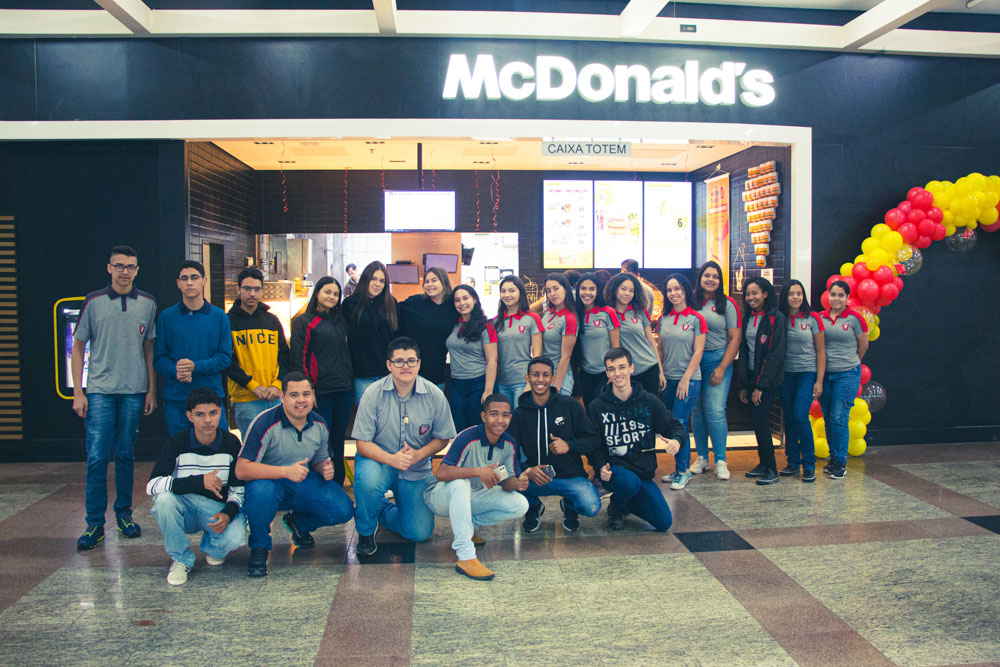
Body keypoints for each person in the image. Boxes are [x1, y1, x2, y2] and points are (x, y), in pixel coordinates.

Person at [72, 245, 158, 550]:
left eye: (130, 266)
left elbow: (149, 349)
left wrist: (151, 390)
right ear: (109, 268)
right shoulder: (93, 301)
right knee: (96, 457)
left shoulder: (147, 303)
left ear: (137, 270)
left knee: (125, 455)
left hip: (134, 391)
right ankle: (95, 523)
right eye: (119, 266)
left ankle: (124, 515)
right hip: (99, 392)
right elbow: (79, 346)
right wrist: (79, 392)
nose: (125, 271)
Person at [236, 372, 355, 578]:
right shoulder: (264, 423)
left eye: (306, 394)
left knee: (343, 509)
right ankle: (260, 548)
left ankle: (298, 524)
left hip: (302, 481)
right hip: (269, 482)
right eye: (294, 395)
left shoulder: (319, 424)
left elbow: (319, 460)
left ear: (313, 396)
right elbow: (242, 469)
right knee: (261, 492)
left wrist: (324, 468)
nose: (301, 400)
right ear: (282, 397)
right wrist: (285, 472)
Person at [351, 337, 457, 557]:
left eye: (411, 361)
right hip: (379, 460)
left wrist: (420, 454)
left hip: (415, 466)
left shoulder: (434, 395)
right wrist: (391, 459)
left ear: (419, 363)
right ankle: (365, 531)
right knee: (369, 482)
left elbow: (443, 438)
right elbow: (362, 443)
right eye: (399, 361)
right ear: (389, 365)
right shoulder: (373, 393)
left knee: (419, 532)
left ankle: (381, 509)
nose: (406, 366)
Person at [147, 388, 246, 585]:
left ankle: (212, 546)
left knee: (235, 537)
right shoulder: (177, 443)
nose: (207, 420)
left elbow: (238, 489)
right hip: (186, 508)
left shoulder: (231, 443)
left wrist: (228, 513)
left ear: (221, 413)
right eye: (200, 414)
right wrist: (199, 481)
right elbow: (152, 485)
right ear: (189, 416)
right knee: (164, 501)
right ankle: (181, 558)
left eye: (213, 413)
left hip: (214, 510)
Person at [425, 394, 530, 580]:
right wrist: (477, 472)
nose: (500, 420)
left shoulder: (509, 443)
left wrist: (520, 481)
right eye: (494, 414)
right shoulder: (467, 436)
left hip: (473, 498)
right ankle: (466, 556)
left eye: (505, 415)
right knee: (460, 484)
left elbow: (507, 483)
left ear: (510, 418)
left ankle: (469, 525)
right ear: (483, 416)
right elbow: (441, 474)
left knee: (520, 504)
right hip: (442, 498)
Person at [588, 348, 685, 532]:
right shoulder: (597, 406)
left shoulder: (648, 400)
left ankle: (628, 503)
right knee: (628, 483)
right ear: (607, 373)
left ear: (631, 368)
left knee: (664, 522)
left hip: (643, 473)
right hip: (615, 472)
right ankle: (617, 506)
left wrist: (676, 441)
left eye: (622, 367)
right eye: (612, 369)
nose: (618, 373)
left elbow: (676, 427)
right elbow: (593, 444)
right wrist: (600, 465)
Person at [509, 357, 601, 533]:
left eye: (545, 375)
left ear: (552, 379)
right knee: (507, 483)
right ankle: (533, 507)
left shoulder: (568, 405)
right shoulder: (520, 413)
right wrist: (527, 469)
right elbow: (508, 453)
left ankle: (570, 507)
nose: (540, 379)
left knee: (590, 506)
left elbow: (593, 439)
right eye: (535, 375)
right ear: (527, 378)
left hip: (570, 477)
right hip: (536, 477)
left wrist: (569, 445)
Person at [154, 260, 232, 435]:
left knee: (216, 453)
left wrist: (195, 367)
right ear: (178, 283)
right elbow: (159, 358)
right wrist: (176, 369)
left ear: (204, 281)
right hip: (177, 399)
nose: (189, 282)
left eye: (194, 277)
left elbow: (224, 358)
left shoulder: (219, 317)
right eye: (185, 278)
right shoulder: (166, 317)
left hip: (211, 398)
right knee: (181, 454)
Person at [289, 277, 354, 485]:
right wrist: (307, 391)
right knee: (319, 440)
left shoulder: (340, 322)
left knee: (338, 438)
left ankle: (337, 483)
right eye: (327, 292)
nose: (332, 297)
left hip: (343, 389)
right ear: (317, 292)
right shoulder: (304, 322)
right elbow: (299, 357)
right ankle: (317, 484)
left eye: (336, 294)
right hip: (321, 391)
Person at [690, 261, 741, 481]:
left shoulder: (727, 304)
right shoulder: (691, 301)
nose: (711, 279)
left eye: (715, 276)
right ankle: (702, 458)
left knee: (715, 410)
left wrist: (722, 367)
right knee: (697, 412)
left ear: (720, 281)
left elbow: (735, 337)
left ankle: (720, 460)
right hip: (694, 362)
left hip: (717, 360)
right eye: (706, 275)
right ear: (700, 277)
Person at [657, 273, 707, 490]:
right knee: (670, 425)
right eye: (669, 290)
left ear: (686, 290)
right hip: (667, 379)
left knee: (679, 422)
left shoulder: (697, 318)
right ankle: (679, 468)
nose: (673, 293)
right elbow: (659, 349)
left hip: (689, 380)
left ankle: (684, 471)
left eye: (677, 288)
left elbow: (699, 351)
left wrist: (686, 378)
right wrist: (661, 373)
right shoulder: (663, 319)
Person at [225, 266, 289, 436]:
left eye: (256, 289)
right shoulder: (228, 321)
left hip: (274, 397)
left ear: (262, 291)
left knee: (277, 448)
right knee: (253, 451)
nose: (252, 293)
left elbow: (284, 356)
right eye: (247, 288)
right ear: (238, 290)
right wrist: (253, 386)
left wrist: (277, 385)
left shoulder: (272, 321)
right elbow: (227, 363)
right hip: (246, 399)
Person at [737, 278, 787, 486]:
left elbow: (774, 355)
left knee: (760, 422)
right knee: (756, 423)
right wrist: (743, 385)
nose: (751, 298)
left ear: (766, 293)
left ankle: (772, 469)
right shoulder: (748, 317)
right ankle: (763, 464)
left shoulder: (776, 318)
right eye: (748, 294)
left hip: (766, 382)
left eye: (755, 293)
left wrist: (760, 386)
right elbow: (745, 351)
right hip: (750, 379)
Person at [818, 280, 868, 480]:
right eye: (833, 294)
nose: (836, 299)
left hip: (847, 374)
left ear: (847, 298)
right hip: (825, 375)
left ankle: (840, 462)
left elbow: (863, 346)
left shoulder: (855, 319)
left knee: (839, 417)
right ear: (828, 296)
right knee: (829, 417)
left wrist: (849, 362)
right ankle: (833, 458)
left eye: (841, 295)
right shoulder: (820, 317)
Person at [779, 280, 826, 483]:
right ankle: (792, 462)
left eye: (799, 293)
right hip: (785, 374)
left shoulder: (813, 318)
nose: (795, 297)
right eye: (791, 294)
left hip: (807, 373)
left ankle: (808, 464)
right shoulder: (780, 318)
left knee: (800, 415)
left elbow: (821, 350)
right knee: (789, 417)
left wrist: (819, 380)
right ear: (785, 297)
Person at [342, 260, 398, 404]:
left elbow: (396, 336)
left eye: (382, 281)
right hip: (362, 374)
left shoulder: (391, 304)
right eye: (373, 279)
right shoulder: (349, 305)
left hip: (388, 374)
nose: (377, 284)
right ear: (365, 278)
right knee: (368, 419)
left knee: (388, 420)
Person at [446, 285, 498, 431]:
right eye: (457, 300)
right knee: (458, 429)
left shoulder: (486, 326)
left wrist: (488, 390)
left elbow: (492, 360)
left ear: (474, 299)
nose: (461, 303)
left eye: (465, 298)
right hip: (456, 383)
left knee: (477, 428)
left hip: (478, 383)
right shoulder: (454, 325)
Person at [604, 272, 665, 397]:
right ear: (614, 289)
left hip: (648, 367)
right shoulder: (607, 314)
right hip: (624, 373)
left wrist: (660, 371)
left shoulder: (639, 311)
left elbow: (651, 342)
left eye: (631, 290)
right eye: (623, 289)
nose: (627, 294)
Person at [398, 266, 455, 390]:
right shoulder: (416, 302)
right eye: (427, 281)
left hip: (438, 370)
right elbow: (392, 312)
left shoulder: (452, 306)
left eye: (434, 280)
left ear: (443, 281)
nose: (429, 284)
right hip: (412, 370)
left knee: (435, 408)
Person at [493, 276, 543, 405]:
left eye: (511, 290)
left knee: (520, 420)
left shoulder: (532, 318)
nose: (507, 295)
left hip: (522, 380)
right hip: (501, 381)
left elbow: (537, 355)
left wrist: (530, 382)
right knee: (505, 422)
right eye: (503, 291)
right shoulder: (495, 322)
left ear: (520, 292)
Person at [574, 272, 621, 409]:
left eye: (591, 289)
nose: (587, 293)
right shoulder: (576, 313)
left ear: (598, 291)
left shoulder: (608, 312)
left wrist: (612, 372)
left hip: (604, 374)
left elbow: (616, 347)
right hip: (585, 374)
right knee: (589, 411)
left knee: (601, 410)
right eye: (583, 288)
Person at [539, 273, 579, 396]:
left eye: (556, 288)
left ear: (566, 289)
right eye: (549, 290)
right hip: (544, 375)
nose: (552, 294)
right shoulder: (546, 315)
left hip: (560, 377)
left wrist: (557, 385)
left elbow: (566, 356)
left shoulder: (570, 318)